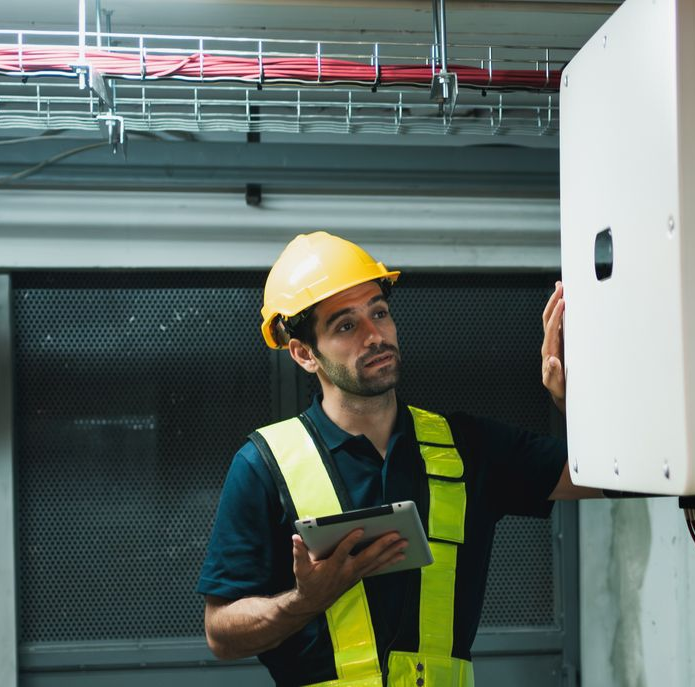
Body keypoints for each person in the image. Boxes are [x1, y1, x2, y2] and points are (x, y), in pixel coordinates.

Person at [197, 231, 594, 687]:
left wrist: (575, 400)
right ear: (305, 354)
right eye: (346, 326)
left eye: (379, 313)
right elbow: (221, 634)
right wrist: (305, 602)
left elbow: (620, 478)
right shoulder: (264, 466)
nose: (374, 336)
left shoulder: (469, 447)